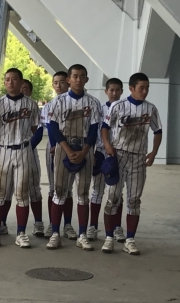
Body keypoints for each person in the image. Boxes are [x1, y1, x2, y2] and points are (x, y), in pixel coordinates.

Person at [100, 73, 162, 255]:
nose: (145, 91)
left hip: (138, 157)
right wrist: (107, 144)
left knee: (134, 200)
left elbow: (158, 131)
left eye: (147, 88)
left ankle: (130, 240)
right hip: (118, 155)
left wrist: (154, 152)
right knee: (113, 197)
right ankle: (109, 237)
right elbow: (105, 127)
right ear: (131, 88)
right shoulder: (118, 106)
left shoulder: (150, 108)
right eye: (141, 87)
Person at [46, 64, 101, 250]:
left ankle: (82, 235)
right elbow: (53, 127)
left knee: (83, 193)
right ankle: (55, 233)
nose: (78, 79)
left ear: (86, 79)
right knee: (60, 192)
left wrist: (85, 151)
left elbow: (94, 129)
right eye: (75, 76)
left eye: (82, 76)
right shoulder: (58, 101)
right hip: (64, 146)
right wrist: (67, 150)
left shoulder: (93, 102)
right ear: (68, 79)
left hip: (85, 146)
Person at [0, 68, 40, 248]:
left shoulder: (31, 104)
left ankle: (21, 233)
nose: (10, 82)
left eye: (14, 79)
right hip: (3, 150)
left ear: (21, 81)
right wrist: (2, 142)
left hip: (23, 149)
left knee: (22, 194)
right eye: (7, 79)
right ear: (4, 82)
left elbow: (34, 128)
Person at [87, 78, 124, 242]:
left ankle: (117, 227)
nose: (114, 93)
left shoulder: (125, 108)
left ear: (122, 91)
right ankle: (93, 226)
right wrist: (92, 154)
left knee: (117, 193)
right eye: (111, 90)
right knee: (97, 190)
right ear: (106, 91)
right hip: (101, 152)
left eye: (117, 90)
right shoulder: (99, 110)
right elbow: (92, 131)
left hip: (119, 154)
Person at [41, 71, 70, 238]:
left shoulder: (75, 102)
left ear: (68, 82)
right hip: (54, 147)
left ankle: (68, 224)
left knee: (69, 189)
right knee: (54, 188)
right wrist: (54, 145)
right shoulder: (49, 105)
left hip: (72, 145)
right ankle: (53, 225)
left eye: (62, 82)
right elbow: (50, 127)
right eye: (55, 82)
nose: (58, 85)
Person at [22, 79, 46, 237]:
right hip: (9, 153)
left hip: (29, 152)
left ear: (30, 92)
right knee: (7, 190)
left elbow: (38, 132)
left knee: (34, 189)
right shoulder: (5, 105)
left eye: (25, 88)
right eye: (20, 88)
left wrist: (27, 147)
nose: (22, 90)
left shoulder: (33, 108)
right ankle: (1, 223)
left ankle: (38, 223)